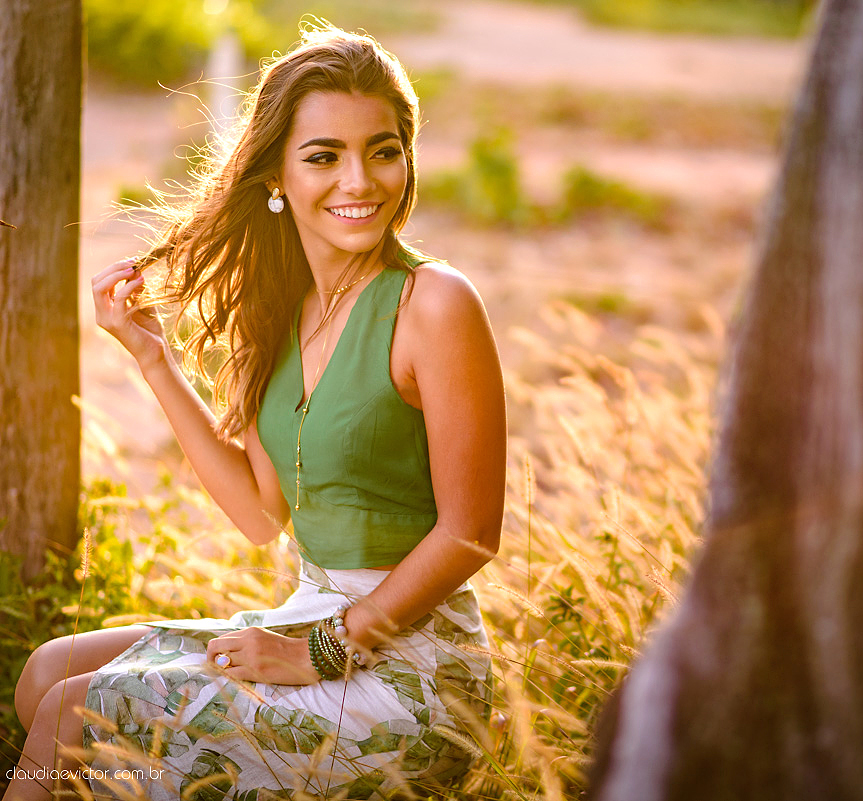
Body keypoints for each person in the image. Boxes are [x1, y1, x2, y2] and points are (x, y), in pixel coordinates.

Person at [5, 24, 505, 801]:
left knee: (73, 713)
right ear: (276, 170)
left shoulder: (433, 303)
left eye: (383, 149)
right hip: (311, 617)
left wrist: (324, 651)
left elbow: (471, 531)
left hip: (414, 668)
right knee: (49, 670)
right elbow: (260, 512)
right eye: (323, 155)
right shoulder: (283, 309)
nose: (359, 181)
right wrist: (153, 359)